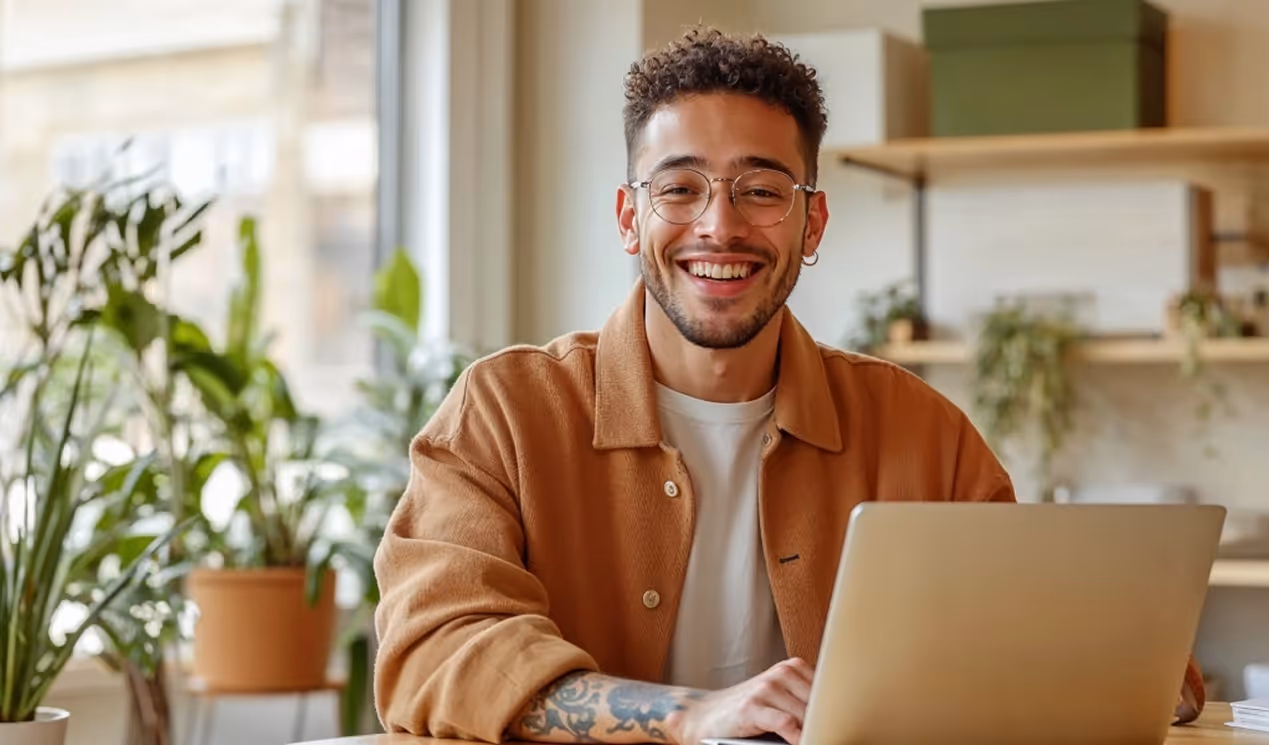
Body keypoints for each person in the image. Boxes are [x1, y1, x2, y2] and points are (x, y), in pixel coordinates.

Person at [372, 26, 1206, 745]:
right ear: (630, 217)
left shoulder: (921, 428)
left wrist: (1128, 665)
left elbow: (1031, 633)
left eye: (762, 190)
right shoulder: (504, 411)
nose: (720, 225)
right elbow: (435, 650)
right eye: (680, 188)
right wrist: (687, 715)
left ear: (812, 222)